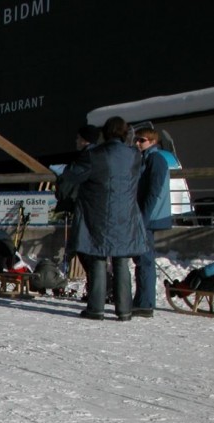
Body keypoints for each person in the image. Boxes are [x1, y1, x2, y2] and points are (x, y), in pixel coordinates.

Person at [59, 116, 147, 321]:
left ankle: (96, 308)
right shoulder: (134, 155)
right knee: (121, 261)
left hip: (98, 213)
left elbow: (72, 175)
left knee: (97, 258)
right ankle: (124, 309)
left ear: (105, 133)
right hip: (126, 215)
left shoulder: (95, 155)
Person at [133, 127, 172, 318]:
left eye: (142, 140)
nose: (137, 143)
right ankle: (142, 300)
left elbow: (153, 191)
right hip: (147, 216)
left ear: (153, 141)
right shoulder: (147, 158)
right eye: (136, 139)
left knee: (144, 259)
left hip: (150, 217)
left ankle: (145, 303)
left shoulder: (155, 159)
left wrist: (143, 218)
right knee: (142, 259)